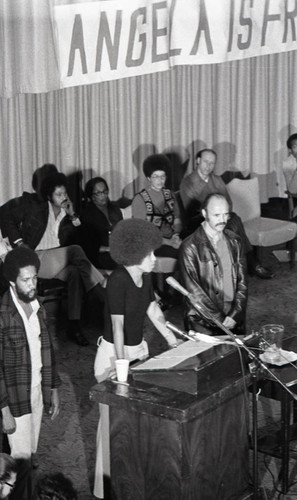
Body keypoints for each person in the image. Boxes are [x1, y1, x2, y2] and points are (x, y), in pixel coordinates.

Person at [93, 218, 180, 499]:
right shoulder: (117, 280)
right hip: (112, 357)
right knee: (112, 427)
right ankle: (103, 489)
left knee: (137, 425)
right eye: (150, 254)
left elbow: (153, 311)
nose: (154, 259)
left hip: (138, 353)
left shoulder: (143, 278)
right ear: (133, 253)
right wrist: (120, 369)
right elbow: (117, 327)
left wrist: (172, 341)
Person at [0, 172, 106, 346]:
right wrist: (19, 243)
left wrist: (73, 216)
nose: (63, 197)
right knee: (75, 251)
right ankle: (103, 293)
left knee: (74, 273)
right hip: (35, 258)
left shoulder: (67, 216)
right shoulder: (34, 206)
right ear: (49, 196)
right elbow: (5, 215)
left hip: (55, 260)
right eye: (59, 194)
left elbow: (86, 240)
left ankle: (74, 326)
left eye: (65, 193)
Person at [0, 247, 60, 480]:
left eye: (35, 277)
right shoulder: (3, 315)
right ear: (12, 282)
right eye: (26, 280)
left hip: (37, 389)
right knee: (20, 459)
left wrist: (53, 388)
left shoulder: (37, 308)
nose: (33, 284)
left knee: (31, 451)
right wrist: (3, 409)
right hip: (14, 397)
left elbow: (48, 352)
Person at [180, 148, 274, 279]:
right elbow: (192, 209)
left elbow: (228, 202)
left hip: (219, 220)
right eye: (206, 162)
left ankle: (237, 269)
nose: (208, 166)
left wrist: (223, 214)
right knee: (234, 223)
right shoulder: (188, 182)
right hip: (198, 222)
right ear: (198, 161)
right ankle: (251, 264)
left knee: (233, 221)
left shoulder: (217, 180)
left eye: (212, 163)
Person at [179, 193, 248, 335]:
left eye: (225, 215)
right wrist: (220, 319)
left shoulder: (235, 241)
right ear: (204, 213)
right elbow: (194, 292)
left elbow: (243, 281)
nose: (222, 220)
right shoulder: (189, 247)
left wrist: (236, 313)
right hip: (202, 320)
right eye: (217, 215)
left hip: (233, 315)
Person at [132, 154, 182, 258]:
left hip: (172, 238)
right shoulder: (139, 199)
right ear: (149, 178)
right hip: (152, 243)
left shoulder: (170, 194)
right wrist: (169, 242)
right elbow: (142, 232)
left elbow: (177, 218)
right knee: (182, 254)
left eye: (162, 176)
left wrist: (176, 235)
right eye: (156, 176)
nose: (160, 180)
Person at [80, 177, 122, 269]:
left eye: (105, 191)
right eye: (98, 193)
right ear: (91, 196)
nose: (103, 195)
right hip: (100, 255)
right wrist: (108, 249)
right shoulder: (87, 215)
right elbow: (87, 245)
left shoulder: (115, 209)